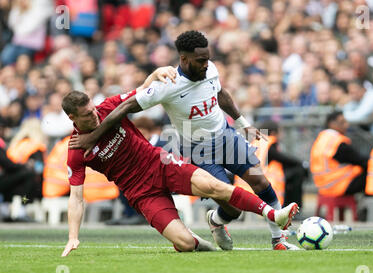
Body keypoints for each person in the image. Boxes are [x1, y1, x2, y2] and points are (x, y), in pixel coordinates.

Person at [70, 31, 299, 251]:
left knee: (260, 181)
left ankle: (278, 239)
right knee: (231, 205)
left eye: (208, 59)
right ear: (184, 59)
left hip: (225, 135)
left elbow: (221, 94)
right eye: (200, 60)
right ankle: (216, 221)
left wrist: (242, 124)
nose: (206, 64)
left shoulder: (210, 69)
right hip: (197, 148)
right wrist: (94, 136)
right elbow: (128, 105)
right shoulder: (168, 85)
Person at [310, 111, 368, 198]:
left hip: (322, 185)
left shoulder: (322, 138)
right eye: (342, 122)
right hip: (337, 185)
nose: (346, 125)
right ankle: (366, 209)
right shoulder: (337, 142)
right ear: (332, 124)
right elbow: (359, 159)